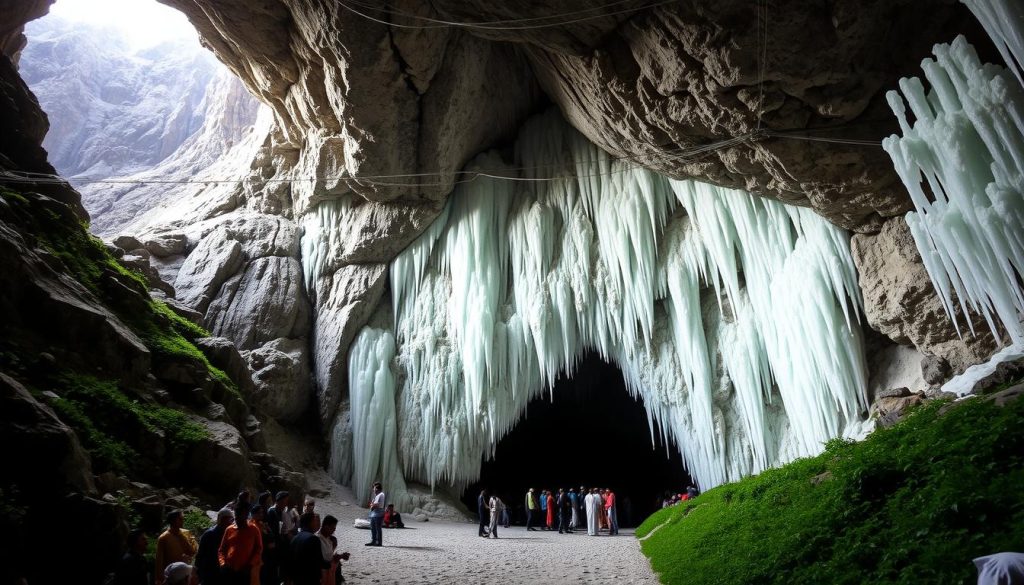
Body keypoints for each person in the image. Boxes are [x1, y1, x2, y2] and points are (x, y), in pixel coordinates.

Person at [219, 502, 263, 585]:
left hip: (245, 571)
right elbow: (221, 550)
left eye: (240, 515)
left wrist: (250, 565)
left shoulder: (253, 529)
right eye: (236, 515)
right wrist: (223, 564)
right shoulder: (229, 529)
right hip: (230, 570)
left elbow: (259, 549)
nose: (237, 518)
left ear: (246, 515)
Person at [156, 510, 198, 584]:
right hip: (171, 574)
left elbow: (192, 551)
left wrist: (181, 536)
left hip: (184, 573)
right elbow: (159, 561)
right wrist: (160, 579)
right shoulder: (163, 538)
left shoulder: (185, 533)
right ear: (173, 521)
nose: (183, 521)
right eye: (180, 519)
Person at [197, 508, 233, 585]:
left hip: (223, 571)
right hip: (210, 572)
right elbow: (200, 555)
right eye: (230, 519)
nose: (231, 522)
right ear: (222, 519)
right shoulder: (209, 534)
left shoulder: (229, 534)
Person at [290, 513, 329, 585]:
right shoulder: (313, 539)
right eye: (315, 521)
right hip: (309, 579)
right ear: (310, 522)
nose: (318, 524)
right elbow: (318, 561)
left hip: (297, 578)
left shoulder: (295, 538)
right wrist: (331, 562)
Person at [366, 482, 385, 547]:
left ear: (377, 488)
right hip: (374, 514)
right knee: (373, 528)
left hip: (379, 513)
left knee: (378, 528)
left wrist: (372, 505)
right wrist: (372, 505)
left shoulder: (381, 494)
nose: (373, 490)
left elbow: (378, 504)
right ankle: (373, 541)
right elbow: (373, 505)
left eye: (374, 488)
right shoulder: (377, 496)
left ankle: (379, 542)